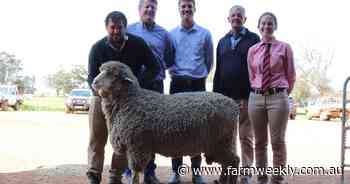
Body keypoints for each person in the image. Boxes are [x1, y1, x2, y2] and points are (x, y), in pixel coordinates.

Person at [86, 11, 160, 184]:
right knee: (97, 138)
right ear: (107, 28)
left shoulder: (138, 44)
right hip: (101, 99)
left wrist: (134, 84)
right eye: (112, 27)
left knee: (124, 139)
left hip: (128, 102)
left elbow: (154, 67)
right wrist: (98, 92)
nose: (116, 31)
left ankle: (115, 176)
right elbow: (91, 76)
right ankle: (94, 175)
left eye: (120, 28)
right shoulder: (97, 48)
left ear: (126, 28)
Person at [126, 0, 174, 183]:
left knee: (153, 130)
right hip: (134, 88)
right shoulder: (129, 30)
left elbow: (169, 59)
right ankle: (131, 171)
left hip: (155, 85)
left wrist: (157, 70)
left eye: (153, 7)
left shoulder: (164, 34)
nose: (149, 10)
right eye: (146, 6)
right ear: (139, 10)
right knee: (132, 130)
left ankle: (150, 172)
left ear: (156, 11)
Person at [213, 5, 260, 184]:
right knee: (226, 139)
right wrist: (215, 97)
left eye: (239, 15)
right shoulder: (222, 42)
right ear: (228, 19)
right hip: (225, 99)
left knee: (245, 137)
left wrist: (254, 93)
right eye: (233, 15)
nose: (236, 18)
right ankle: (227, 175)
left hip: (246, 97)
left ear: (245, 19)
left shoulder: (254, 39)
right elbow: (218, 71)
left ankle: (246, 175)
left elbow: (258, 69)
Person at [247, 12, 296, 184]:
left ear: (275, 26)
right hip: (256, 98)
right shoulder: (252, 50)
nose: (266, 26)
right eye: (263, 23)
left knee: (277, 141)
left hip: (278, 98)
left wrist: (282, 93)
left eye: (270, 23)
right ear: (258, 26)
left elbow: (291, 75)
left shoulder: (284, 47)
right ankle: (261, 179)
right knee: (259, 142)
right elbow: (252, 76)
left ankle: (277, 180)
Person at [168, 0, 213, 183]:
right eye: (183, 7)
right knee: (174, 128)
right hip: (177, 84)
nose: (186, 10)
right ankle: (176, 172)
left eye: (189, 7)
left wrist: (198, 74)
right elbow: (168, 58)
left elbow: (209, 61)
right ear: (179, 10)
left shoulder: (205, 34)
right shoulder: (170, 35)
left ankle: (196, 172)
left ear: (195, 9)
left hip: (197, 85)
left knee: (197, 129)